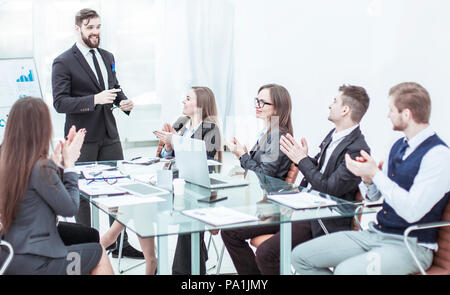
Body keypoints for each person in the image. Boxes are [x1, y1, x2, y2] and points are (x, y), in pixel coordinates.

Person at [291, 82, 450, 275]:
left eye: (391, 110)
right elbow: (374, 198)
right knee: (300, 257)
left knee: (345, 271)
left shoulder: (438, 155)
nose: (387, 115)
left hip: (410, 245)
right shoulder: (398, 145)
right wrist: (367, 178)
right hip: (376, 234)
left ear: (406, 114)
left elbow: (412, 212)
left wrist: (375, 173)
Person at [52, 8, 142, 259]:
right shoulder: (63, 61)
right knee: (82, 196)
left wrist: (124, 102)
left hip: (109, 133)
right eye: (90, 27)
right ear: (78, 28)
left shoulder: (107, 56)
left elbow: (114, 87)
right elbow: (59, 103)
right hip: (81, 137)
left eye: (98, 27)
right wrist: (94, 99)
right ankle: (89, 248)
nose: (95, 32)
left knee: (121, 189)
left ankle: (118, 244)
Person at [0, 97, 114, 275]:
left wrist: (58, 164)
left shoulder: (8, 163)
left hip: (11, 255)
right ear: (42, 129)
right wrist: (69, 167)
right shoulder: (40, 167)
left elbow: (41, 189)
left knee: (88, 241)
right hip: (40, 263)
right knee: (98, 255)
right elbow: (70, 208)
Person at [220, 83, 295, 274]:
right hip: (263, 204)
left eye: (264, 102)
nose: (258, 105)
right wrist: (244, 155)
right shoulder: (269, 133)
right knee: (228, 228)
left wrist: (242, 156)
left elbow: (264, 175)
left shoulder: (277, 135)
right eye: (257, 100)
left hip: (273, 211)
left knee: (229, 232)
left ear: (277, 108)